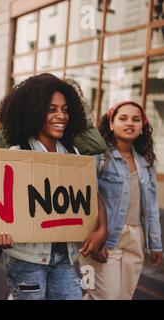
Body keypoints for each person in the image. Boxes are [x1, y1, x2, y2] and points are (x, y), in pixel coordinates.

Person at [0, 73, 108, 300]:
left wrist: (102, 228)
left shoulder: (72, 153)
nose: (61, 116)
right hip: (27, 257)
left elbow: (90, 195)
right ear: (33, 110)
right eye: (51, 109)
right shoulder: (16, 155)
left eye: (66, 109)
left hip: (65, 256)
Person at [80, 101, 163, 300]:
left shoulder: (146, 162)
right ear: (111, 124)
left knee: (123, 297)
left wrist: (155, 244)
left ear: (142, 126)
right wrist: (94, 235)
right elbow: (85, 197)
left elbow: (151, 208)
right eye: (123, 118)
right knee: (103, 296)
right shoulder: (99, 157)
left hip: (135, 238)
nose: (130, 123)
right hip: (105, 236)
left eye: (136, 120)